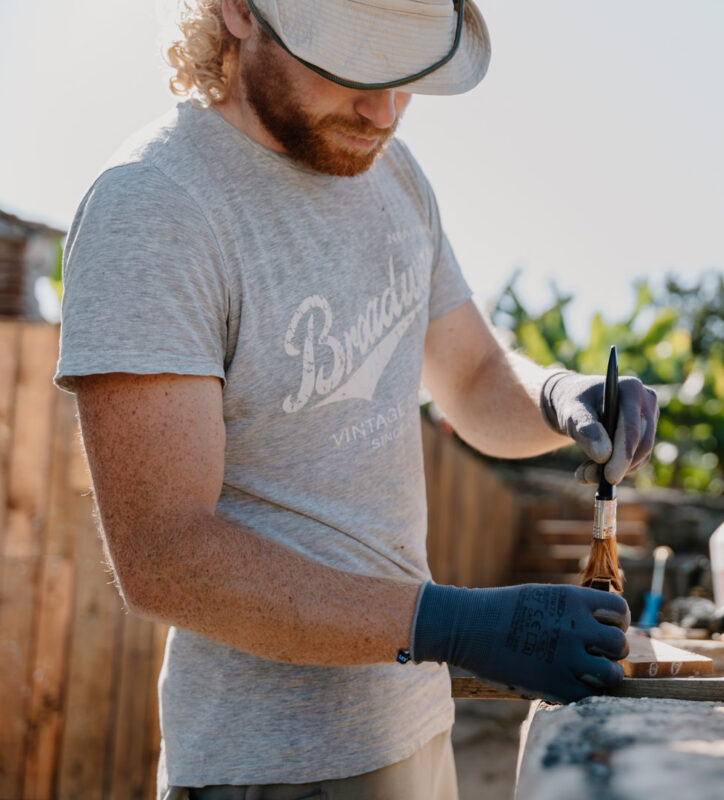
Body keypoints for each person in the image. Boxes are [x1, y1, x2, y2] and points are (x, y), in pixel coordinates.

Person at [53, 0, 660, 797]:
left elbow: (473, 378)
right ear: (239, 11)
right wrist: (457, 625)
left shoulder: (391, 172)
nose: (383, 113)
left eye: (405, 76)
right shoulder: (155, 206)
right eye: (352, 68)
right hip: (269, 768)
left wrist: (553, 397)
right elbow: (166, 558)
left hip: (413, 726)